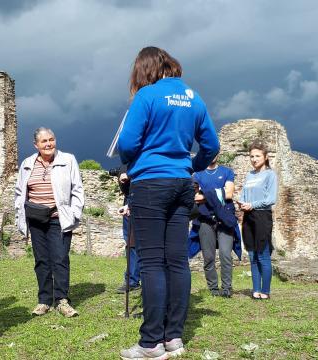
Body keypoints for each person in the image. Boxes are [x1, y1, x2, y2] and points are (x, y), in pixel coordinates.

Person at [117, 47, 220, 359]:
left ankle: (150, 343)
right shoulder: (193, 97)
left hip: (150, 184)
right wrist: (191, 165)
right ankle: (173, 337)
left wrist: (133, 162)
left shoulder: (147, 96)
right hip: (181, 183)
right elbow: (211, 145)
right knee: (176, 260)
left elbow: (127, 143)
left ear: (144, 69)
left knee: (150, 262)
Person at [14, 127, 84, 317]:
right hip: (36, 220)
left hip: (58, 219)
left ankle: (62, 300)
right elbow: (20, 191)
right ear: (36, 145)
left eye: (51, 139)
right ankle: (44, 300)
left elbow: (77, 189)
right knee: (41, 261)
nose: (48, 144)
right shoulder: (28, 163)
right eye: (44, 141)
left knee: (60, 259)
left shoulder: (67, 160)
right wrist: (20, 212)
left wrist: (75, 213)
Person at [237, 141, 278, 300]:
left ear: (265, 157)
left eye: (257, 156)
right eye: (251, 156)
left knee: (263, 254)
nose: (254, 159)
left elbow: (271, 199)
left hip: (262, 216)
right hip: (248, 217)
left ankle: (265, 291)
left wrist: (252, 204)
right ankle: (255, 290)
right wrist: (241, 202)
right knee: (252, 255)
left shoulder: (270, 175)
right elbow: (244, 196)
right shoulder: (249, 175)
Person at [192, 154, 238, 298]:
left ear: (218, 153)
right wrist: (218, 193)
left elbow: (229, 194)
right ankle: (213, 289)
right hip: (205, 220)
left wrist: (205, 195)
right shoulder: (197, 174)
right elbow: (195, 197)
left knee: (225, 254)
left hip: (224, 219)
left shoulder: (227, 172)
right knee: (208, 257)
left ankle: (226, 288)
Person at [114, 168, 141, 294]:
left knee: (136, 243)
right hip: (130, 200)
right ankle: (132, 279)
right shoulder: (126, 164)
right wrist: (122, 176)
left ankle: (134, 280)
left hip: (144, 198)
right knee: (131, 242)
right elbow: (125, 189)